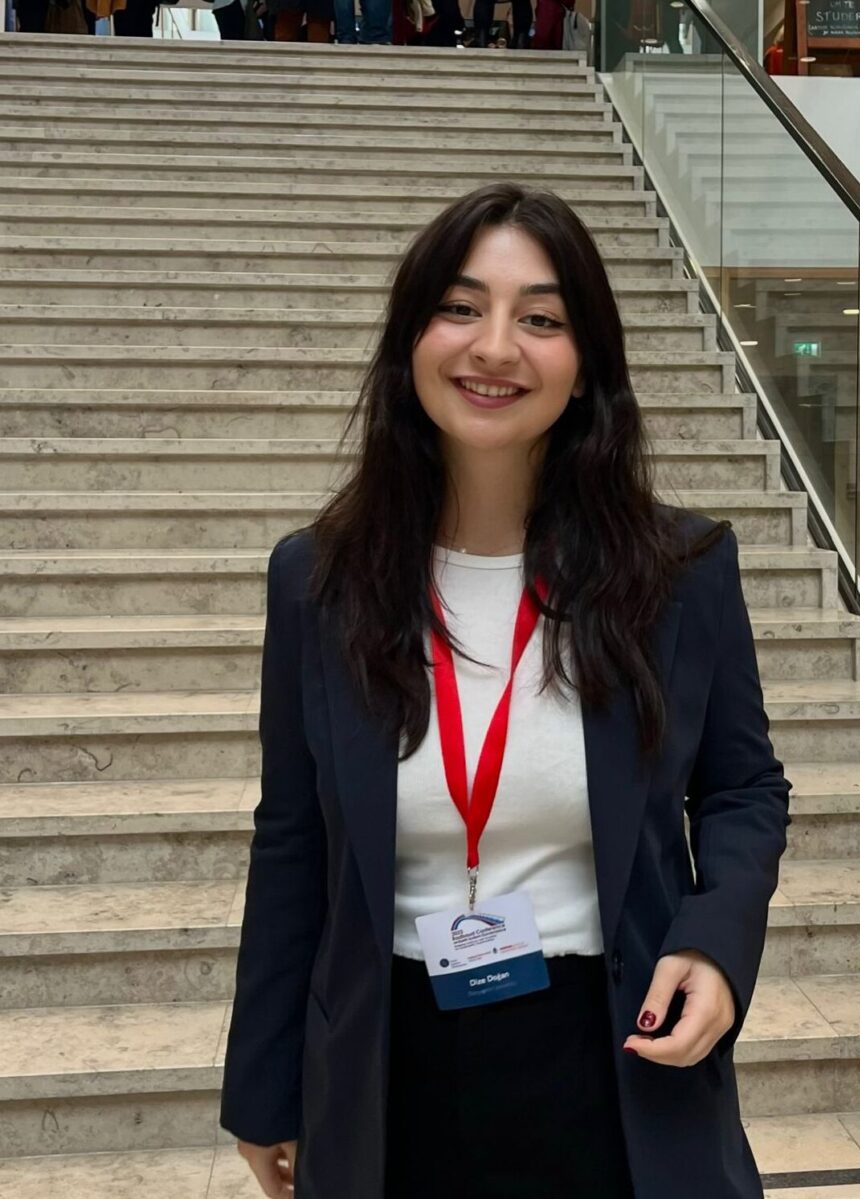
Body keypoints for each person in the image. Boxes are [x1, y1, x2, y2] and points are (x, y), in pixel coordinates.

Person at [219, 181, 792, 1199]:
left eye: (541, 319)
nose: (494, 347)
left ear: (586, 365)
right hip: (388, 1072)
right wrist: (264, 1088)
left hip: (615, 1060)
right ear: (411, 339)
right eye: (459, 306)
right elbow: (293, 836)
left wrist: (717, 942)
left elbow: (744, 788)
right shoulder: (319, 580)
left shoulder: (679, 571)